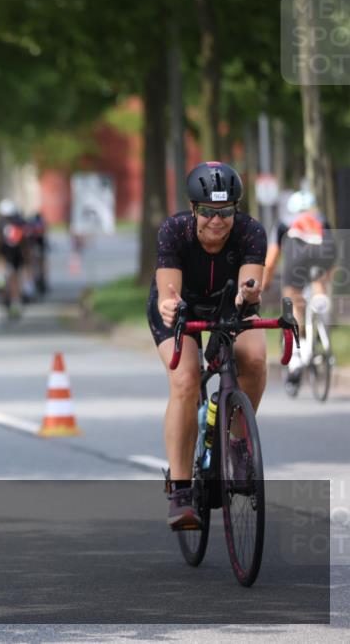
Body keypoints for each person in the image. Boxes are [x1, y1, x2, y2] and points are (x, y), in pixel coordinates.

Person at [149, 162, 267, 529]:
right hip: (179, 309)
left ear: (237, 208)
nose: (218, 221)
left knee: (254, 357)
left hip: (228, 303)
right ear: (193, 207)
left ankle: (235, 443)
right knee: (185, 381)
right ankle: (181, 490)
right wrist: (169, 307)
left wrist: (247, 293)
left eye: (227, 211)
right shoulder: (173, 231)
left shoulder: (251, 233)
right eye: (209, 213)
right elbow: (169, 291)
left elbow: (250, 287)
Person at [262, 190, 336, 380]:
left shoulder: (283, 223)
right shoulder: (321, 219)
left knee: (293, 302)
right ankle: (320, 306)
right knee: (318, 281)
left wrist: (265, 283)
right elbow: (332, 253)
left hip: (297, 256)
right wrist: (326, 279)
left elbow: (271, 261)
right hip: (324, 253)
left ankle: (295, 355)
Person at [0, 199, 27, 319]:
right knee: (15, 278)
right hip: (15, 255)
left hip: (8, 255)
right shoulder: (19, 222)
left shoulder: (0, 224)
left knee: (10, 276)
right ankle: (15, 301)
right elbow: (25, 243)